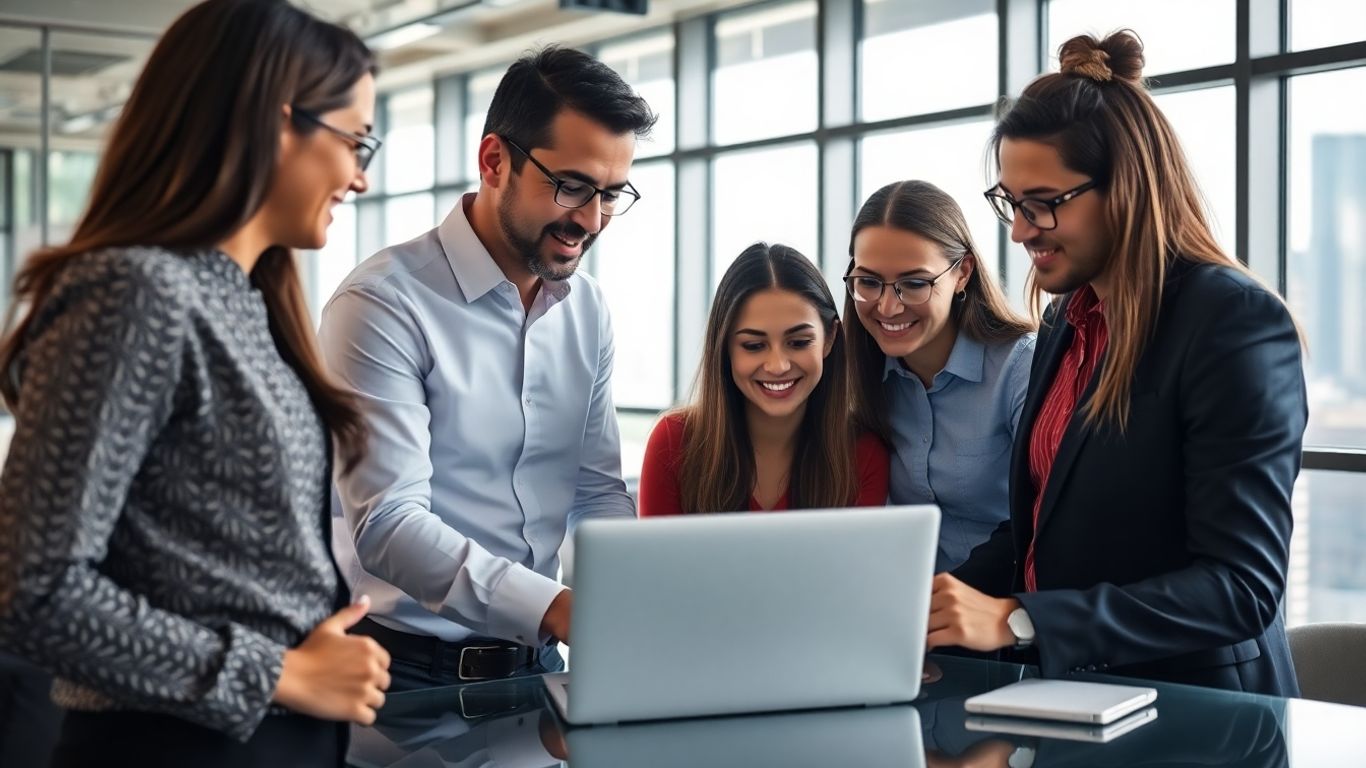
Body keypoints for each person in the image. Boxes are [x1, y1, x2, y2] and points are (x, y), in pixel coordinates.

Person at [0, 0, 391, 764]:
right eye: (356, 139)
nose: (361, 176)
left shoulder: (245, 298)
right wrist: (276, 670)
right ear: (280, 122)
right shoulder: (136, 291)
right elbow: (32, 591)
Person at [927, 30, 1306, 696]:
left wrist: (1018, 619)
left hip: (1204, 718)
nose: (1019, 230)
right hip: (1078, 703)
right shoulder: (1063, 322)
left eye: (1043, 202)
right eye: (1012, 203)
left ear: (1125, 188)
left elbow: (1240, 586)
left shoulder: (1232, 322)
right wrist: (935, 600)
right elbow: (1047, 524)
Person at [319, 46, 653, 690]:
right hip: (403, 678)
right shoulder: (383, 304)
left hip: (541, 671)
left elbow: (595, 492)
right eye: (572, 186)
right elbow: (389, 525)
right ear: (495, 160)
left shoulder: (587, 310)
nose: (589, 220)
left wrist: (626, 594)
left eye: (611, 195)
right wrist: (554, 607)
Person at [843, 181, 1035, 571]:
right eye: (869, 282)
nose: (888, 306)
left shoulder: (1020, 367)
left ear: (962, 273)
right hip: (905, 606)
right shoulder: (855, 377)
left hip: (1002, 607)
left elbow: (1046, 518)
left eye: (914, 284)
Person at [639, 243, 889, 516]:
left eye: (799, 342)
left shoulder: (863, 455)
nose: (778, 366)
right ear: (724, 349)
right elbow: (655, 560)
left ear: (829, 339)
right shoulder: (673, 442)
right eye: (754, 346)